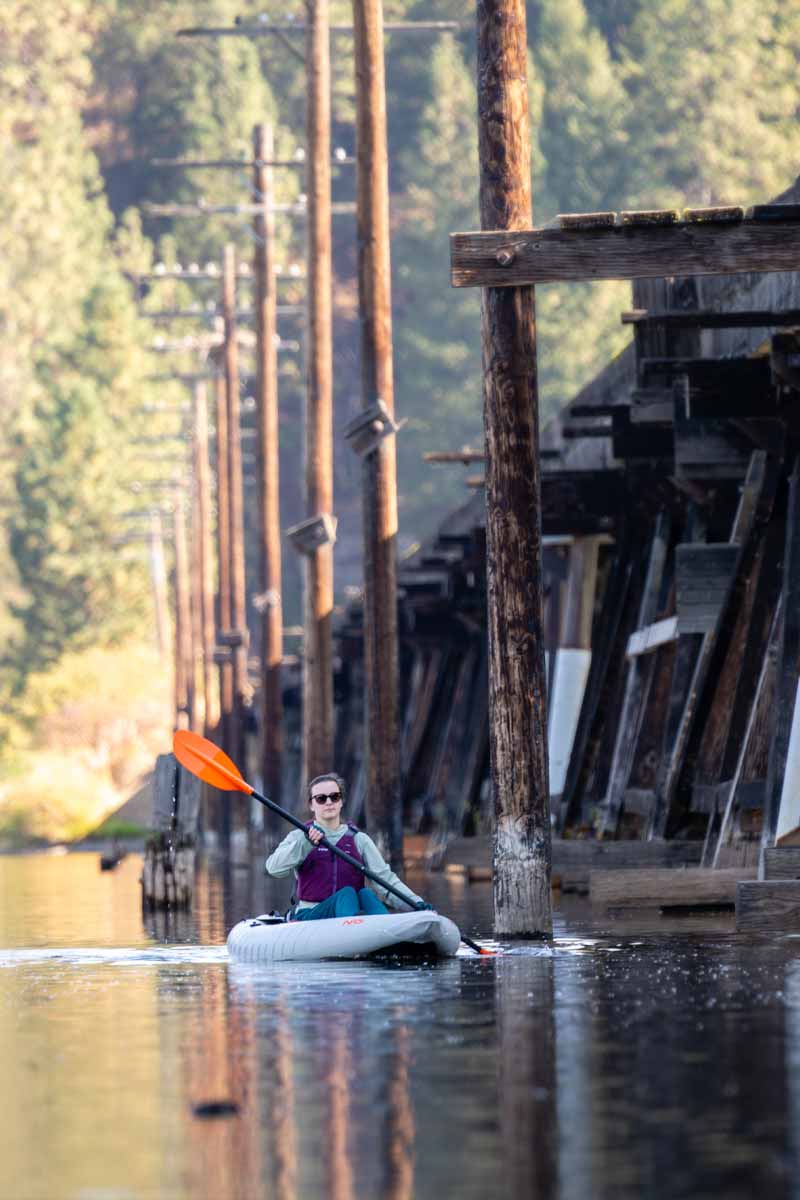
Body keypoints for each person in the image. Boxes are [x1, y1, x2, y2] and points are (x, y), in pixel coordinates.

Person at [266, 773, 432, 921]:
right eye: (321, 799)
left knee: (365, 893)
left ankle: (385, 932)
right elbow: (274, 868)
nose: (329, 802)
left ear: (341, 801)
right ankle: (355, 931)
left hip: (349, 913)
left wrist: (417, 904)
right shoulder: (299, 836)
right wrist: (305, 843)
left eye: (334, 797)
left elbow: (386, 881)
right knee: (347, 893)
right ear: (311, 805)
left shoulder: (359, 839)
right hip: (310, 915)